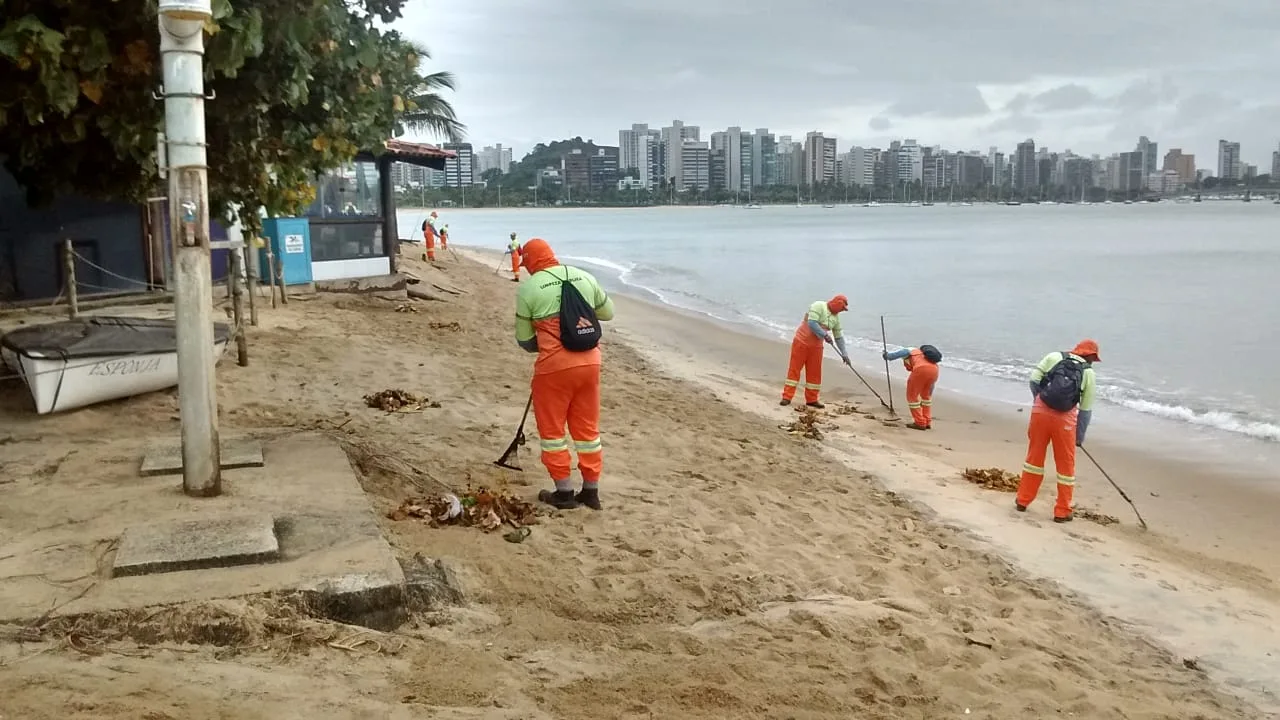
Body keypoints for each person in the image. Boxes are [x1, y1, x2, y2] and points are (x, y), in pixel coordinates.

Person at [514, 238, 615, 511]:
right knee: (587, 431)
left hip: (553, 369)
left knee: (553, 432)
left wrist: (548, 338)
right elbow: (608, 313)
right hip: (590, 365)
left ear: (531, 261)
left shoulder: (529, 289)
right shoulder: (584, 276)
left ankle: (564, 493)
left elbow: (524, 341)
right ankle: (591, 492)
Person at [1015, 339, 1100, 523]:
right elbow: (1085, 410)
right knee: (1065, 467)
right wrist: (1079, 437)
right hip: (1065, 421)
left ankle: (1023, 500)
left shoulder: (1054, 356)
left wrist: (1040, 400)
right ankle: (1062, 511)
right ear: (1091, 356)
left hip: (1040, 414)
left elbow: (1033, 380)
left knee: (1033, 459)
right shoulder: (1088, 373)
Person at [780, 295, 852, 409]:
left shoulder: (836, 318)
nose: (841, 311)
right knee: (794, 369)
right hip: (801, 342)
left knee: (815, 373)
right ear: (837, 304)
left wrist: (844, 354)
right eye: (842, 308)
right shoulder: (818, 306)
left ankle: (812, 399)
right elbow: (812, 323)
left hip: (816, 347)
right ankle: (787, 397)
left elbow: (839, 337)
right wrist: (825, 335)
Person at [882, 344, 942, 430]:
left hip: (920, 370)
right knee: (926, 397)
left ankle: (920, 423)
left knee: (912, 397)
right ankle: (927, 421)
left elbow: (890, 356)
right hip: (935, 370)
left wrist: (885, 354)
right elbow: (930, 390)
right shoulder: (927, 356)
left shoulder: (908, 350)